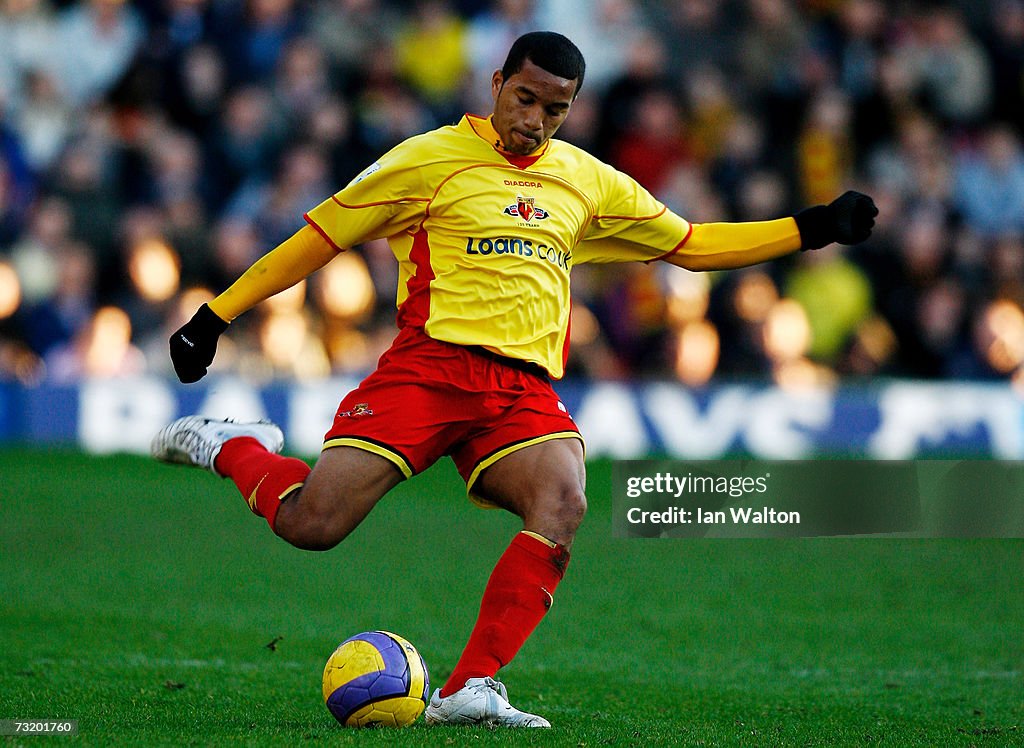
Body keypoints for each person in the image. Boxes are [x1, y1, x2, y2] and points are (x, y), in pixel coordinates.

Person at [152, 31, 877, 727]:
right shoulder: (428, 159)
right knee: (313, 525)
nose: (536, 121)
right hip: (428, 371)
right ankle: (234, 445)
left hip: (521, 391)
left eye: (556, 109)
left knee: (563, 501)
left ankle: (468, 688)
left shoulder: (587, 180)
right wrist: (215, 317)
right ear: (497, 84)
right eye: (525, 99)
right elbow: (317, 240)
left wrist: (811, 227)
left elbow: (689, 245)